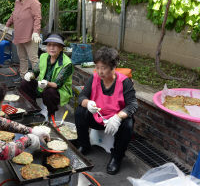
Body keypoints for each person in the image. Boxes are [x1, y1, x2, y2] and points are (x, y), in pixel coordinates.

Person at [75, 46, 138, 175]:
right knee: (80, 111)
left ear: (113, 67)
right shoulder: (94, 78)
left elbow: (132, 104)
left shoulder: (124, 82)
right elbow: (82, 97)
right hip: (97, 117)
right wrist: (88, 103)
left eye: (103, 68)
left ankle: (117, 156)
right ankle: (84, 144)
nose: (99, 71)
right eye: (97, 67)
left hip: (114, 122)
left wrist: (118, 117)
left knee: (128, 123)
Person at [19, 33, 73, 118]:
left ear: (61, 48)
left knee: (49, 92)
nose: (51, 48)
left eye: (55, 45)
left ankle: (51, 114)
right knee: (24, 83)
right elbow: (35, 72)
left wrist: (47, 83)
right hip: (42, 85)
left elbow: (57, 84)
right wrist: (30, 75)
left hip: (58, 90)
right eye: (49, 45)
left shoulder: (67, 63)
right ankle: (34, 108)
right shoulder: (44, 56)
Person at [5, 0, 42, 78]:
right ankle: (23, 77)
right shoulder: (17, 2)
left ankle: (39, 79)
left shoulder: (33, 1)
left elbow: (37, 17)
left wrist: (36, 32)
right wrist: (7, 25)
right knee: (22, 58)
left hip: (30, 35)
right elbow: (14, 15)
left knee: (33, 59)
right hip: (19, 34)